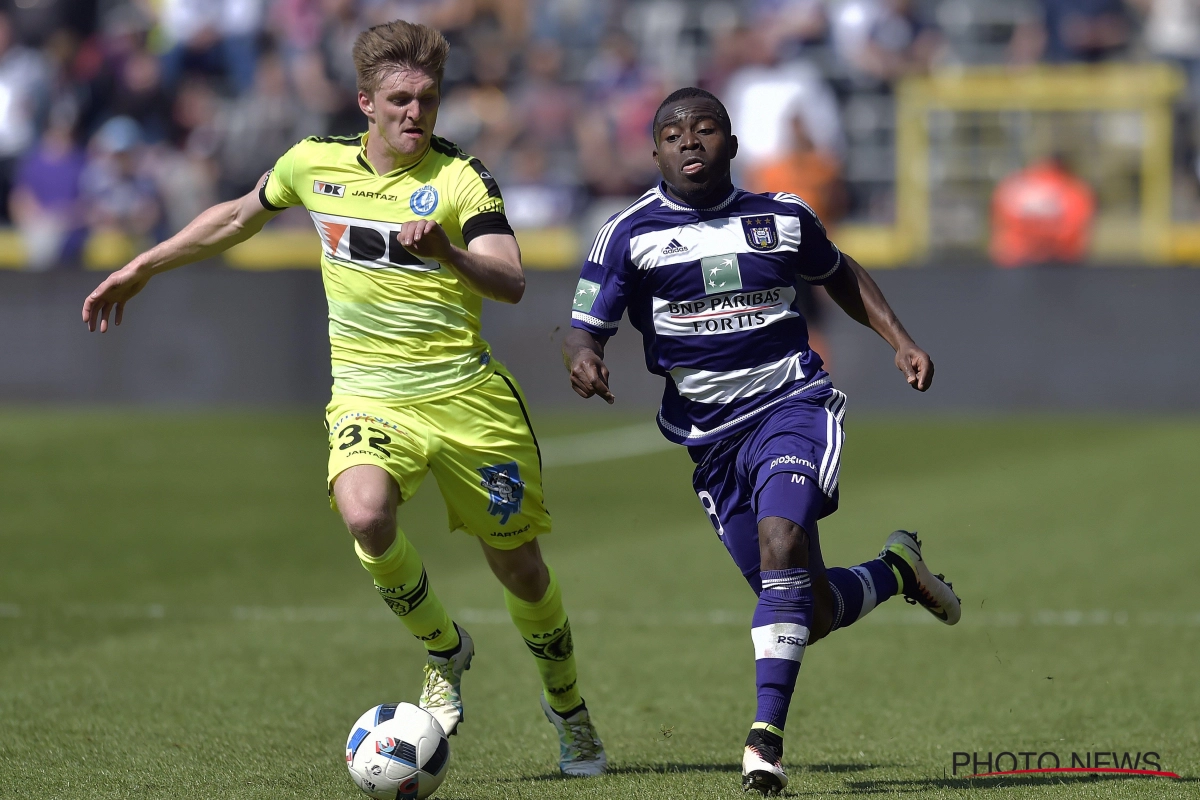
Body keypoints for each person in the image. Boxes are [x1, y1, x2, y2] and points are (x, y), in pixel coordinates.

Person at [82, 20, 605, 778]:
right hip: (370, 395)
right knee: (364, 512)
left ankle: (569, 712)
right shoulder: (312, 166)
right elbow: (235, 217)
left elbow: (512, 278)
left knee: (520, 569)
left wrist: (445, 252)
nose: (416, 114)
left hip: (467, 399)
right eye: (399, 100)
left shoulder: (463, 178)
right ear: (365, 101)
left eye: (427, 99)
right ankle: (444, 649)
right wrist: (145, 264)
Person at [562, 87, 960, 795]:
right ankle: (900, 571)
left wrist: (901, 341)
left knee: (782, 539)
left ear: (733, 145)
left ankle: (763, 742)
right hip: (710, 442)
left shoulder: (781, 217)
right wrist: (584, 356)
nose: (691, 142)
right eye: (675, 134)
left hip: (791, 404)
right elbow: (586, 323)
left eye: (707, 129)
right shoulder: (628, 233)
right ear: (654, 151)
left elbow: (840, 275)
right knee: (806, 609)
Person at [990, 155, 1095, 267]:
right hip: (1058, 262)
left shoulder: (1014, 185)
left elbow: (1000, 219)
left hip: (1015, 258)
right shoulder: (1073, 188)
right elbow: (1073, 226)